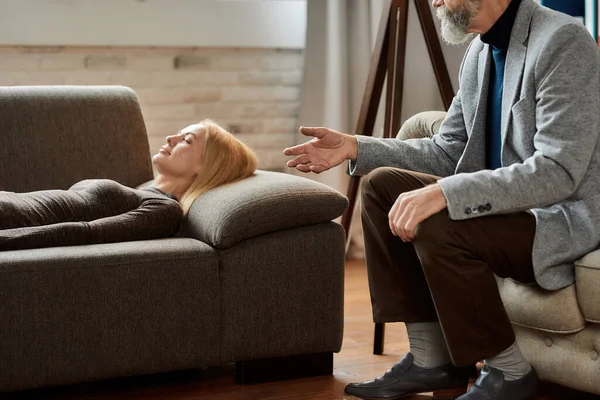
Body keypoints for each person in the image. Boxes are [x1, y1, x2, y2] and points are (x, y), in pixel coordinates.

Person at [284, 0, 600, 399]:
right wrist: (354, 147)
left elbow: (559, 171)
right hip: (504, 210)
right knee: (382, 186)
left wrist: (447, 193)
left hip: (556, 218)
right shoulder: (479, 51)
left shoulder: (562, 41)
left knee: (437, 216)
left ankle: (509, 372)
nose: (434, 1)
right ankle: (431, 359)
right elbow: (448, 151)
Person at [0, 119, 257, 251]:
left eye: (186, 140)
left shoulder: (164, 209)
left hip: (12, 219)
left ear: (206, 166)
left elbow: (85, 232)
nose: (171, 138)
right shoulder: (143, 189)